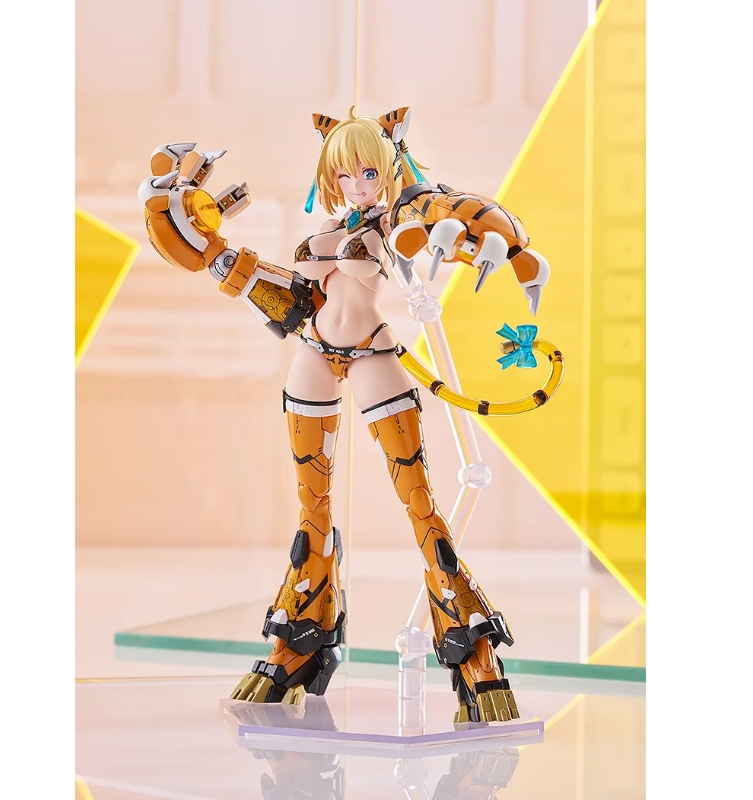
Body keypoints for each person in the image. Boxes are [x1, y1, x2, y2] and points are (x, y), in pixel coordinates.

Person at [138, 106, 558, 724]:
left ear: (388, 168)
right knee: (312, 509)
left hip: (371, 353)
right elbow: (301, 296)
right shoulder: (331, 228)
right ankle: (302, 639)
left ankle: (471, 646)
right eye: (343, 173)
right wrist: (213, 251)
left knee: (420, 504)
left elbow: (443, 215)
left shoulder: (397, 218)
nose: (356, 184)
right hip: (313, 349)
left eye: (367, 172)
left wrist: (484, 230)